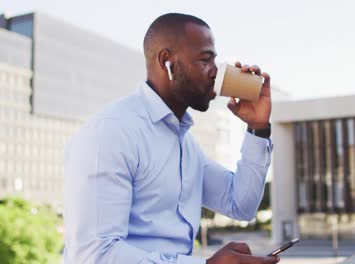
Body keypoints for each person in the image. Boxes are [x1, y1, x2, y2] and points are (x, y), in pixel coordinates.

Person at [64, 13, 278, 264]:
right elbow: (95, 256)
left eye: (215, 61)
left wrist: (258, 127)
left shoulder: (186, 145)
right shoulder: (111, 132)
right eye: (205, 59)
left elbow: (241, 204)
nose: (216, 72)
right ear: (167, 62)